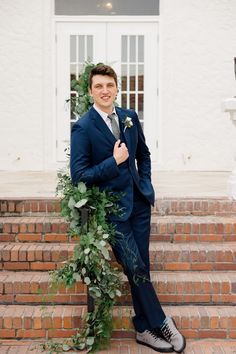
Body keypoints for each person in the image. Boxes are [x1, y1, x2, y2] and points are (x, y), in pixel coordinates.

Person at [70, 64, 186, 353]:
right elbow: (79, 176)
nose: (105, 91)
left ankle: (144, 329)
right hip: (112, 211)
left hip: (138, 205)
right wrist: (116, 161)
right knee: (134, 266)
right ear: (90, 91)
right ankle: (161, 321)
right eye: (98, 86)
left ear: (116, 88)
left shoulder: (129, 117)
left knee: (141, 267)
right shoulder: (83, 127)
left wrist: (145, 184)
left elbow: (144, 155)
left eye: (109, 85)